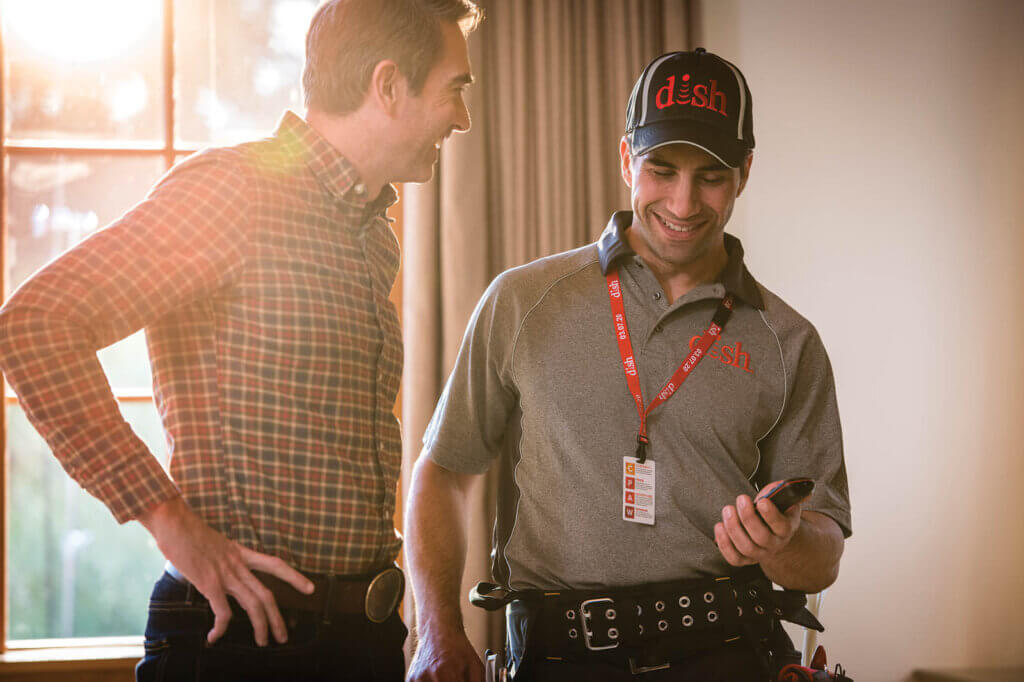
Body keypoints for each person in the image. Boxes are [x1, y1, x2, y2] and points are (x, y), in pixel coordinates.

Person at [0, 1, 481, 680]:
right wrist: (168, 521)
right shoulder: (233, 193)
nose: (461, 118)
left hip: (364, 641)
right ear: (388, 85)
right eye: (454, 90)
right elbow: (36, 325)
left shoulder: (374, 237)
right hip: (245, 643)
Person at [405, 48, 852, 682]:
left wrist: (784, 546)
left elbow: (824, 557)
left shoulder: (789, 340)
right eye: (661, 169)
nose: (683, 200)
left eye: (712, 176)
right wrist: (438, 634)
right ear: (625, 159)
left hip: (730, 655)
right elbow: (443, 473)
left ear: (746, 172)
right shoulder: (523, 300)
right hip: (556, 657)